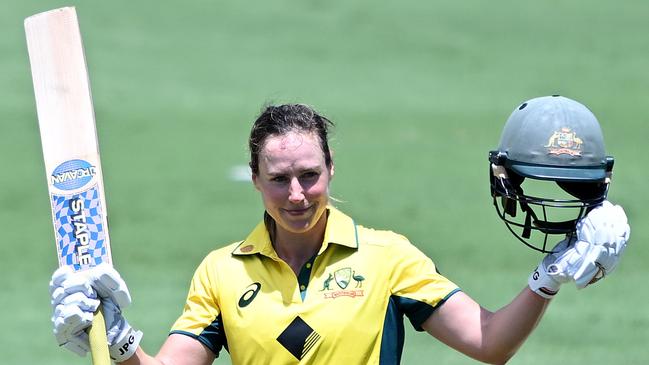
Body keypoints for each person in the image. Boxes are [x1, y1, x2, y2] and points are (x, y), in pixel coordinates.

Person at [50, 99, 630, 365]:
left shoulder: (388, 258)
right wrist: (121, 341)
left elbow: (490, 344)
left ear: (331, 171)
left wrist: (549, 276)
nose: (297, 194)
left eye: (310, 175)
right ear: (254, 180)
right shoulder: (221, 272)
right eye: (280, 180)